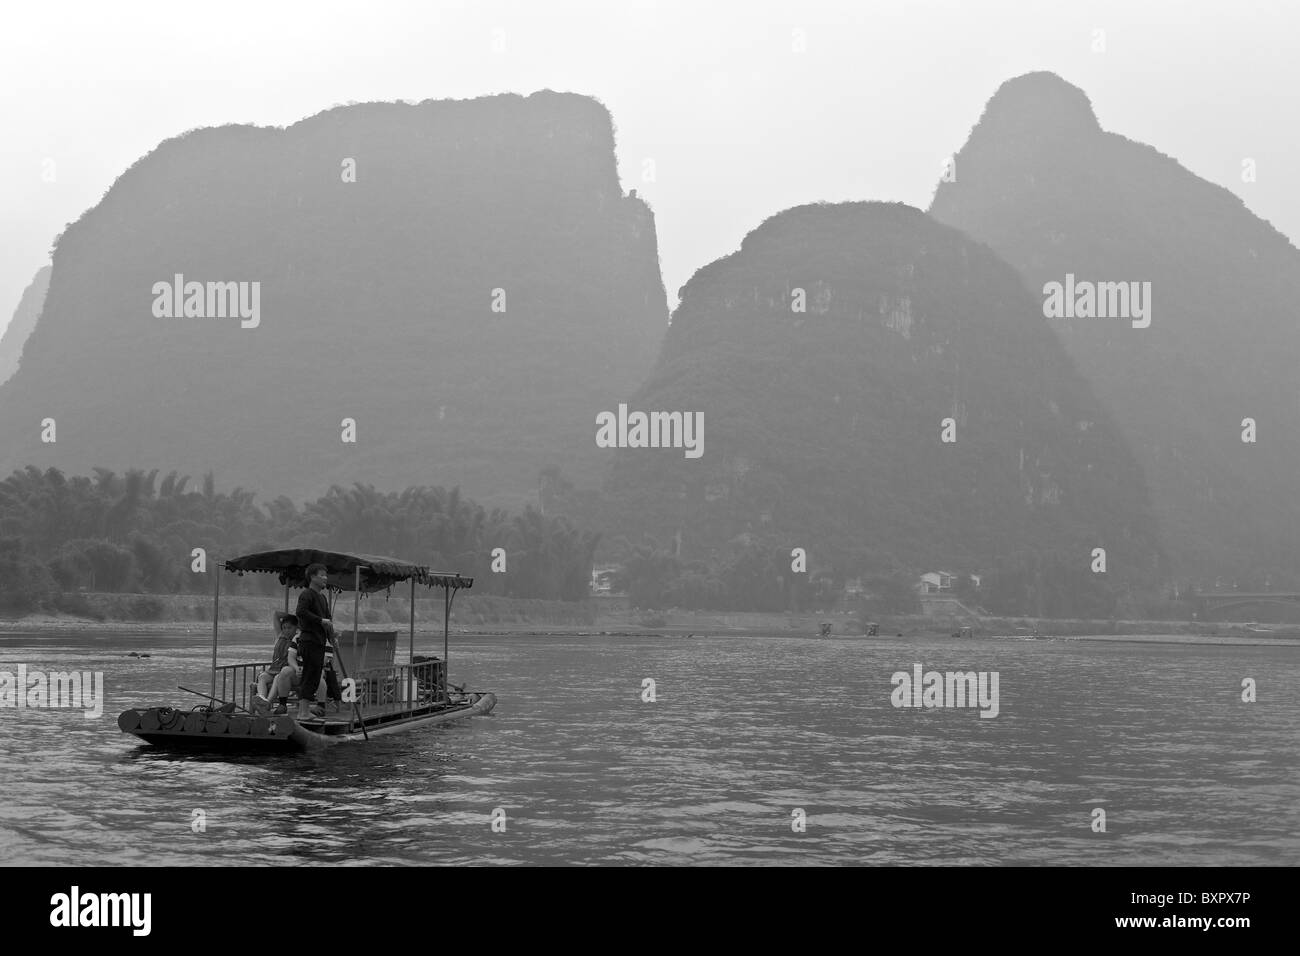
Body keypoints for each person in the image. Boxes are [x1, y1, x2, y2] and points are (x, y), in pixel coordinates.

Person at [293, 563, 334, 720]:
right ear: (312, 577)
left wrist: (331, 635)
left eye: (326, 575)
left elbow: (328, 618)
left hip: (319, 641)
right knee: (310, 675)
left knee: (316, 675)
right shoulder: (307, 594)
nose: (325, 578)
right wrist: (320, 620)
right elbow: (300, 612)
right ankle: (302, 712)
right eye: (321, 575)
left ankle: (305, 710)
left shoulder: (322, 598)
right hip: (309, 640)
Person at [254, 612, 298, 711]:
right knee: (262, 677)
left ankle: (268, 703)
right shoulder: (280, 635)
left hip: (286, 671)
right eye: (284, 628)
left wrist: (297, 618)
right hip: (274, 669)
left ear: (296, 627)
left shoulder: (298, 640)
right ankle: (262, 698)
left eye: (289, 628)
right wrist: (292, 616)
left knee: (278, 678)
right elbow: (276, 614)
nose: (286, 630)